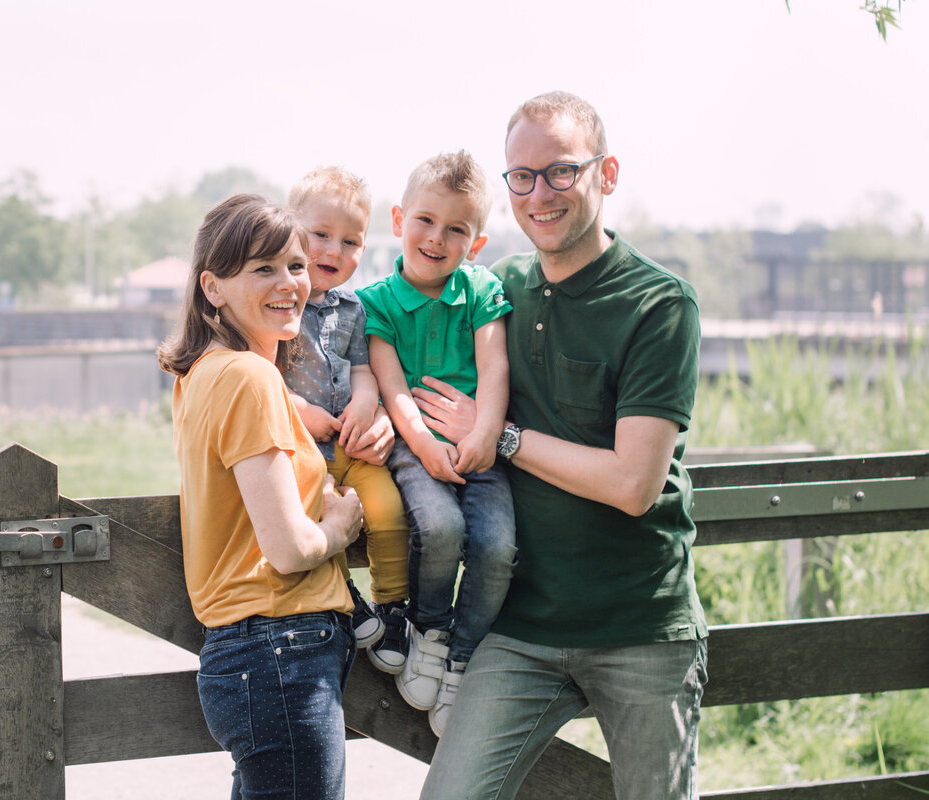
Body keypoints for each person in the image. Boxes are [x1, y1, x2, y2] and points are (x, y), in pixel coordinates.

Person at [415, 92, 708, 799]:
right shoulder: (495, 294)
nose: (538, 194)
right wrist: (359, 406)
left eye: (560, 172)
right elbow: (392, 316)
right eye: (522, 176)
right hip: (522, 631)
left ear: (606, 174)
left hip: (642, 626)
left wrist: (502, 436)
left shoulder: (659, 305)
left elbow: (633, 484)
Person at [157, 194, 364, 800]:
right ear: (213, 288)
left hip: (254, 653)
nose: (289, 283)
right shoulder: (249, 377)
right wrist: (340, 527)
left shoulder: (204, 374)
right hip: (280, 650)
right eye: (263, 269)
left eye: (296, 266)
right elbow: (289, 547)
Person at [357, 151, 517, 737]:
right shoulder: (374, 303)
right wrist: (424, 447)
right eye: (425, 220)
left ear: (475, 243)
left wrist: (483, 436)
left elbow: (493, 368)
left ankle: (462, 661)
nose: (436, 237)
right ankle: (430, 631)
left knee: (497, 546)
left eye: (456, 229)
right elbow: (392, 388)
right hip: (413, 447)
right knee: (441, 528)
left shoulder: (480, 288)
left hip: (479, 446)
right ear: (399, 219)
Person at [284, 167, 411, 672]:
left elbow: (363, 368)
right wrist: (303, 413)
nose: (333, 252)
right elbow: (258, 379)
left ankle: (394, 605)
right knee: (319, 515)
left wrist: (366, 401)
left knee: (387, 509)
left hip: (350, 446)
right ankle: (344, 595)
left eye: (350, 241)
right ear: (291, 229)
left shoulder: (353, 309)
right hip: (300, 452)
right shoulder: (277, 303)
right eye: (320, 236)